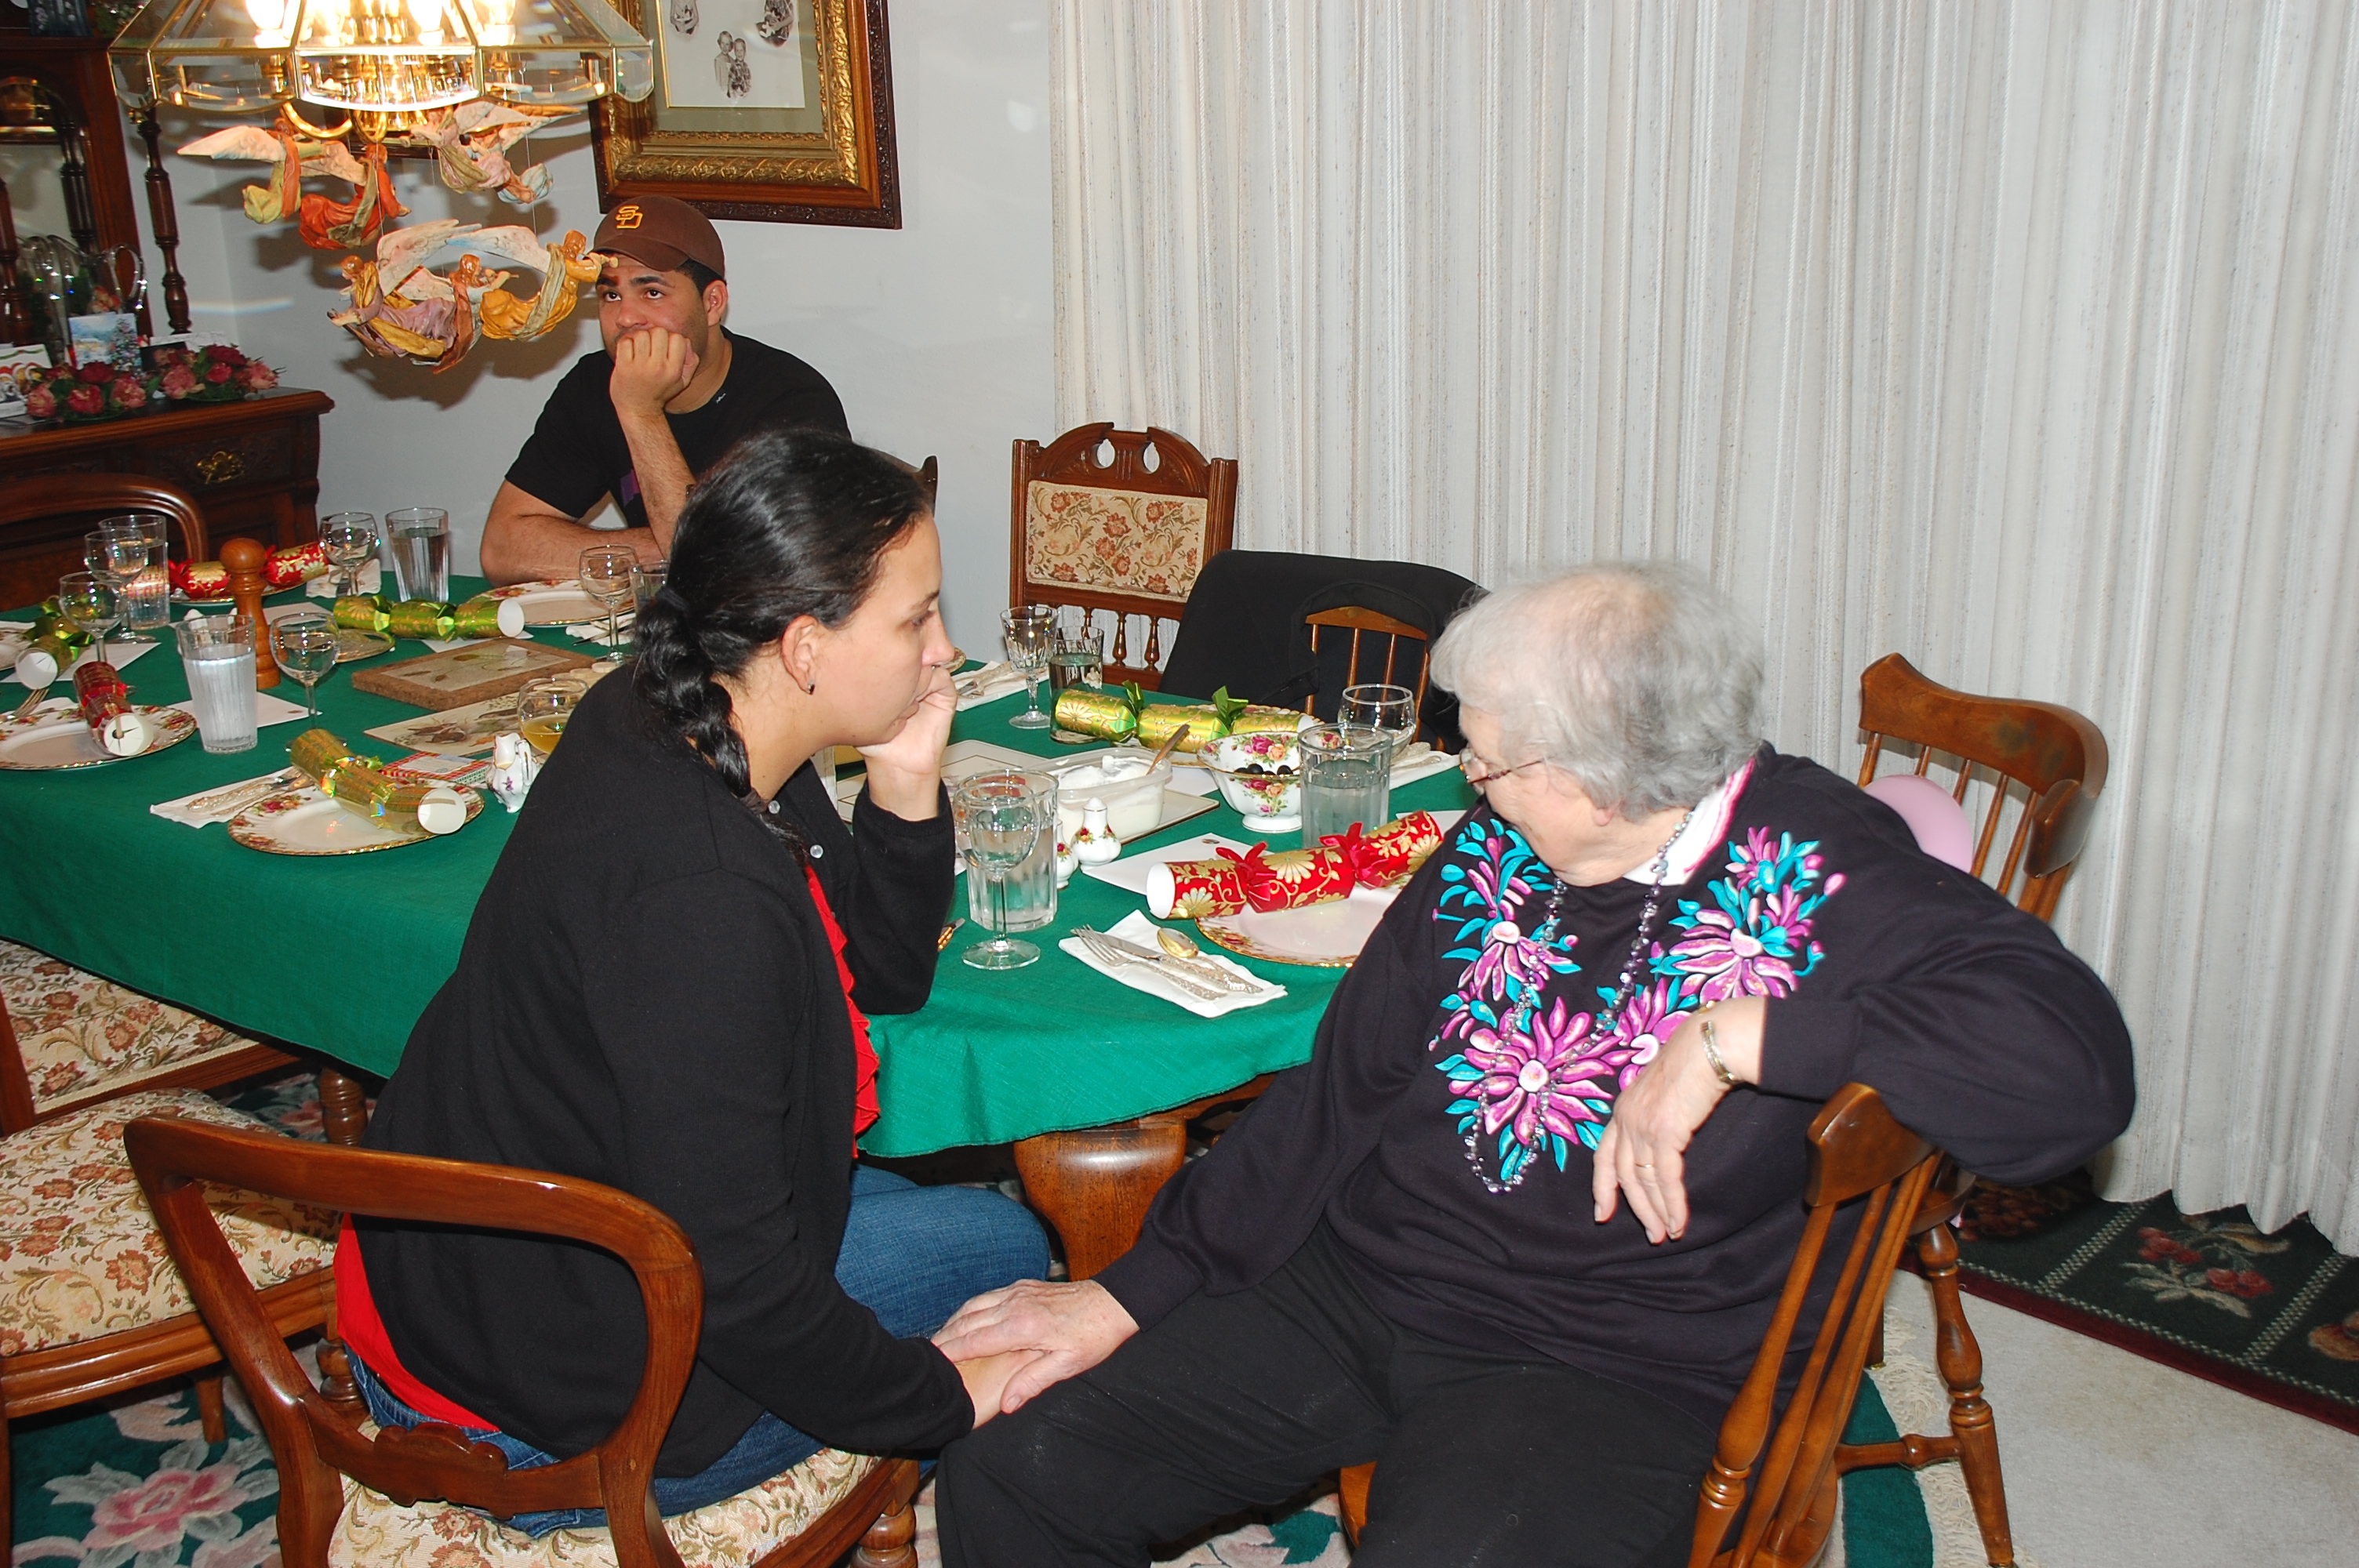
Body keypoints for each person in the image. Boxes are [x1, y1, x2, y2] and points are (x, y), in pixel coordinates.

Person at [931, 561, 2136, 1567]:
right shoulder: (1505, 839)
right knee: (1018, 1470)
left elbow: (2077, 1074)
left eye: (1490, 761)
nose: (1473, 782)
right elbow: (1339, 1094)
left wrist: (1739, 1035)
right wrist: (1127, 1293)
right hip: (1361, 1281)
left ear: (1599, 782)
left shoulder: (1825, 870)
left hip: (1613, 1361)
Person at [341, 430, 1048, 1533]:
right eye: (916, 619)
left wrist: (906, 787)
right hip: (545, 1399)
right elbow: (738, 1285)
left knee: (962, 1239)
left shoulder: (681, 712)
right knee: (1009, 1254)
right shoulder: (700, 894)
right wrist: (942, 1396)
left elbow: (877, 973)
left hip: (490, 1274)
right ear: (804, 647)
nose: (945, 649)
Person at [479, 194, 850, 585]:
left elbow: (748, 576)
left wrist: (640, 411)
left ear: (712, 303)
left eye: (652, 292)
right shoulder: (594, 383)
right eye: (610, 295)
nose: (625, 317)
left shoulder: (791, 399)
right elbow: (502, 550)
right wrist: (672, 550)